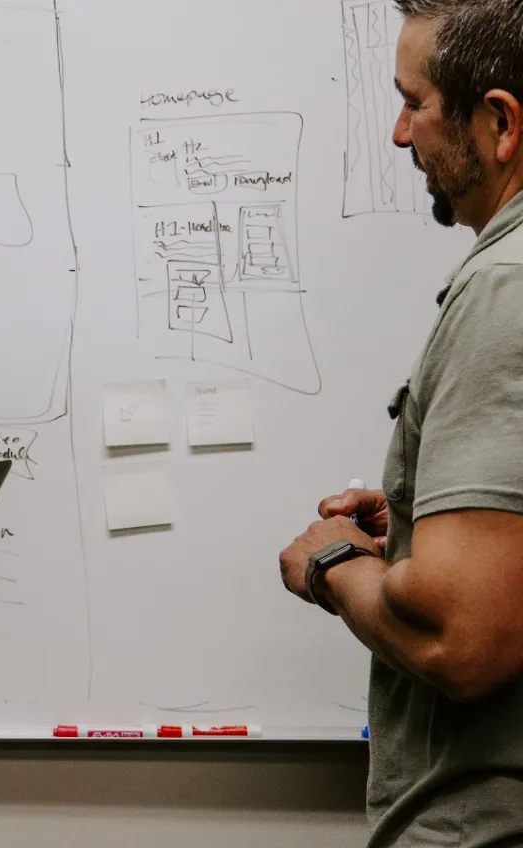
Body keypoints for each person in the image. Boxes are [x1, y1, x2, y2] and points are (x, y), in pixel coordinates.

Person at [279, 1, 523, 846]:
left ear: (499, 123)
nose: (398, 133)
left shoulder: (504, 290)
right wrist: (421, 537)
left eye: (413, 101)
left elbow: (464, 639)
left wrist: (332, 563)